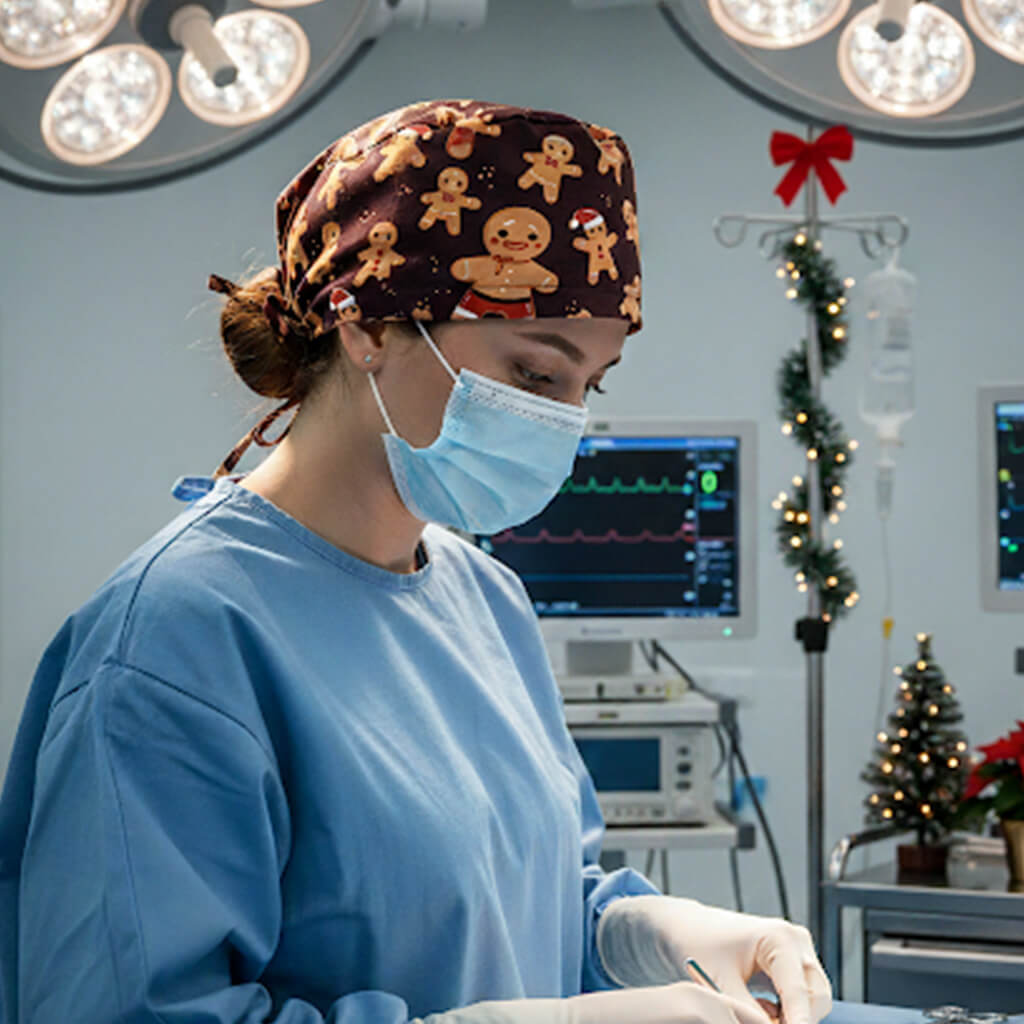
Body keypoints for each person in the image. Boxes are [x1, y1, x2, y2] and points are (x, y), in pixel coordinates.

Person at [0, 99, 833, 1024]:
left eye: (588, 386)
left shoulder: (487, 601)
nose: (565, 420)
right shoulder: (173, 642)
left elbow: (518, 904)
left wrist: (637, 933)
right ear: (368, 326)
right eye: (535, 372)